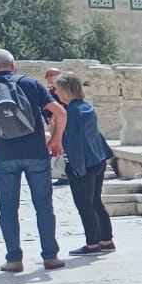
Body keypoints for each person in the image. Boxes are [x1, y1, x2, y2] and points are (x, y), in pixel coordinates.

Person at [0, 49, 66, 272]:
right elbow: (59, 112)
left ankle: (14, 259)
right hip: (36, 153)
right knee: (43, 206)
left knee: (8, 208)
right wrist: (56, 139)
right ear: (13, 65)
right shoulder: (30, 83)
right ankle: (50, 256)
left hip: (4, 156)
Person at [55, 73, 115, 255]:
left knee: (85, 204)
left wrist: (76, 168)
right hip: (97, 160)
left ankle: (92, 244)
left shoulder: (71, 113)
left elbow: (75, 142)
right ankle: (106, 240)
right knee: (96, 202)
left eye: (57, 89)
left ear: (66, 90)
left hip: (84, 165)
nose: (55, 92)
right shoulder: (86, 107)